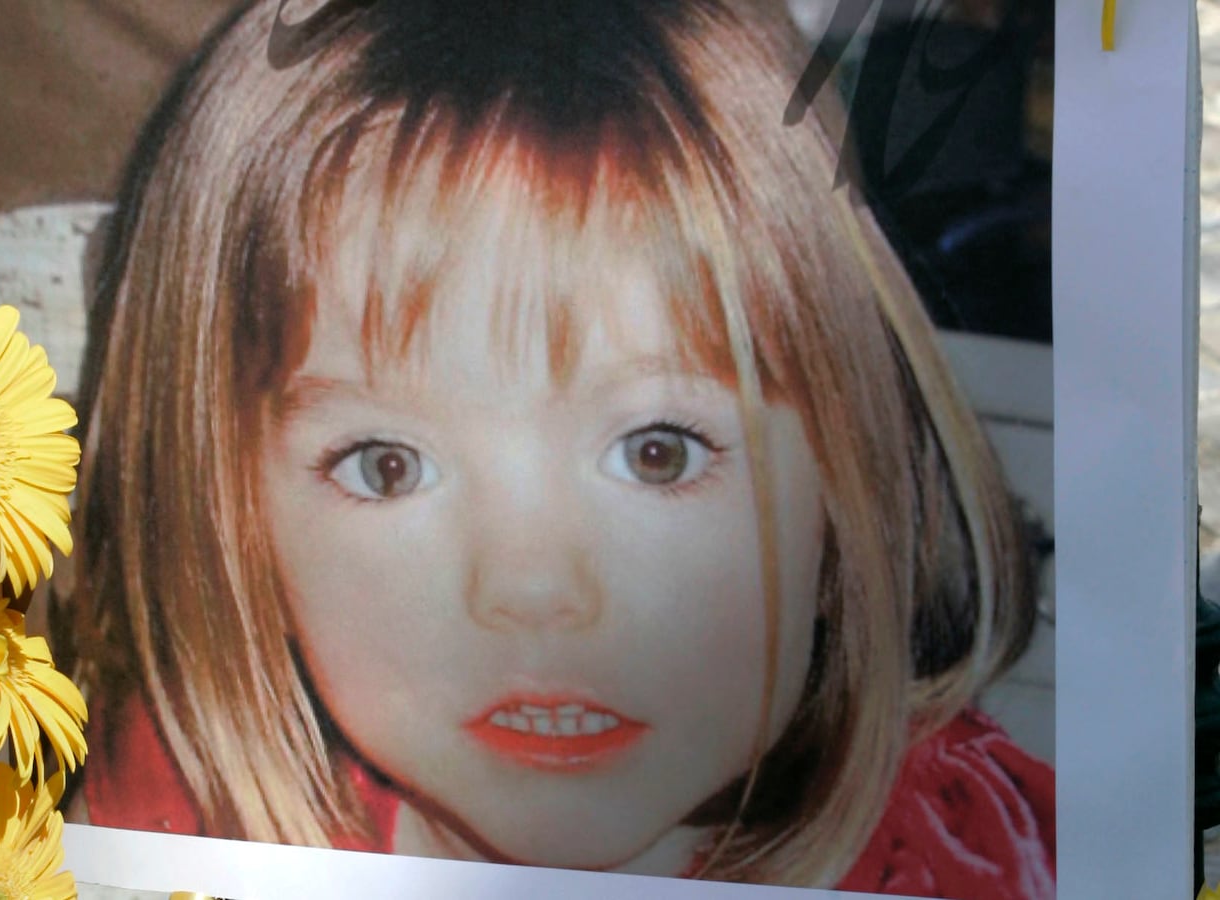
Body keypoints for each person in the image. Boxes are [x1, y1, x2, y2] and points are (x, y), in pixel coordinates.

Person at [55, 1, 1054, 895]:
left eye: (656, 452)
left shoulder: (977, 857)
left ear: (849, 495)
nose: (534, 589)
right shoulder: (171, 827)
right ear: (230, 521)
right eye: (386, 466)